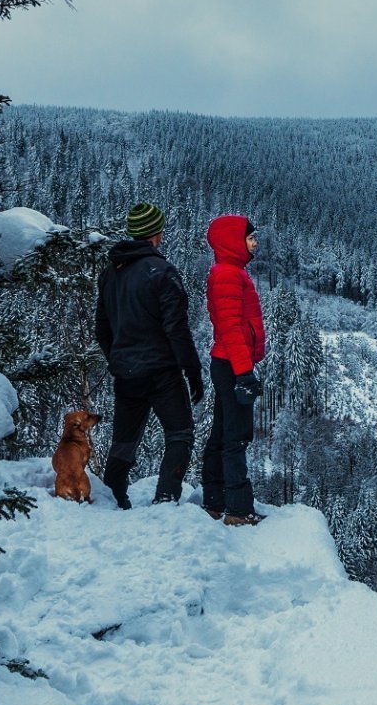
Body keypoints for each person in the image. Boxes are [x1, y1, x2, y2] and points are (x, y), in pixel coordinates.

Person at [93, 202, 205, 508]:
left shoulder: (109, 275)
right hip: (161, 372)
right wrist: (192, 371)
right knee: (179, 433)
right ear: (156, 233)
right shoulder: (162, 272)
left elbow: (102, 330)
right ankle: (166, 498)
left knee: (125, 440)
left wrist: (119, 358)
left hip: (125, 373)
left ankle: (113, 497)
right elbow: (176, 329)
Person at [201, 213, 267, 526]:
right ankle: (239, 510)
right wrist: (244, 372)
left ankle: (214, 501)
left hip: (228, 362)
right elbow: (230, 328)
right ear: (233, 241)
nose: (255, 242)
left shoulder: (231, 272)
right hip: (231, 363)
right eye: (250, 237)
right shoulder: (227, 274)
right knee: (235, 436)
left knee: (223, 432)